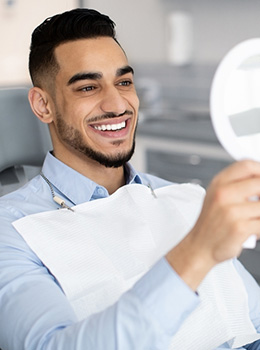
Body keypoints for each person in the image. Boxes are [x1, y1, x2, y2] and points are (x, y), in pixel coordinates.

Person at [1, 8, 260, 350]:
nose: (117, 104)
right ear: (43, 105)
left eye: (124, 82)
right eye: (88, 87)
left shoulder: (185, 198)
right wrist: (197, 251)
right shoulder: (11, 231)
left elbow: (251, 321)